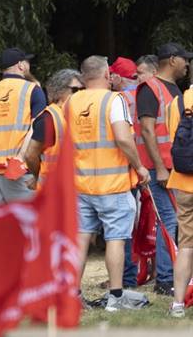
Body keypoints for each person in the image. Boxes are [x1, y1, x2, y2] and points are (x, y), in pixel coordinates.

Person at [68, 56, 150, 311]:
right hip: (112, 183)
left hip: (80, 183)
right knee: (116, 238)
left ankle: (73, 294)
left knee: (81, 237)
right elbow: (124, 139)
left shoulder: (71, 101)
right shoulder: (114, 100)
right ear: (106, 75)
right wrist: (139, 166)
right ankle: (116, 297)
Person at [135, 42, 191, 296]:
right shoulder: (150, 88)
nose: (187, 64)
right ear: (171, 60)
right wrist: (159, 167)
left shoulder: (173, 89)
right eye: (184, 59)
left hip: (174, 166)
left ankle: (171, 277)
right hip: (161, 168)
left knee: (176, 222)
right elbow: (147, 129)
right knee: (169, 221)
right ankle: (166, 279)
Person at [0, 47, 46, 205]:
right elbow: (37, 128)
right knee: (25, 225)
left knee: (0, 226)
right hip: (21, 171)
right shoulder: (33, 90)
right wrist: (21, 157)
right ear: (21, 65)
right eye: (27, 62)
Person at [24, 69, 83, 189]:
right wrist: (37, 176)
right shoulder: (49, 118)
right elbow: (30, 155)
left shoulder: (78, 114)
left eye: (83, 90)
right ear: (59, 90)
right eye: (75, 90)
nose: (80, 94)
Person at [166, 83, 193, 317]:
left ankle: (177, 305)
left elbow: (171, 135)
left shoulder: (177, 103)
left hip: (184, 182)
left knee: (186, 245)